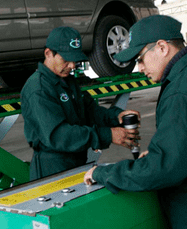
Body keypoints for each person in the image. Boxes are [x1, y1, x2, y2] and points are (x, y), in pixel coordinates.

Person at [83, 15, 187, 229]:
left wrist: (104, 173)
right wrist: (160, 150)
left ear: (162, 47)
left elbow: (163, 169)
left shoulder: (180, 90)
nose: (139, 68)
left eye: (141, 59)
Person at [21, 26, 140, 180]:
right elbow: (60, 136)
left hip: (75, 163)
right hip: (52, 169)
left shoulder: (68, 81)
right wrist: (107, 135)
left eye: (74, 60)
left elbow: (90, 111)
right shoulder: (38, 89)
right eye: (66, 60)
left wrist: (117, 116)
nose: (71, 66)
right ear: (48, 54)